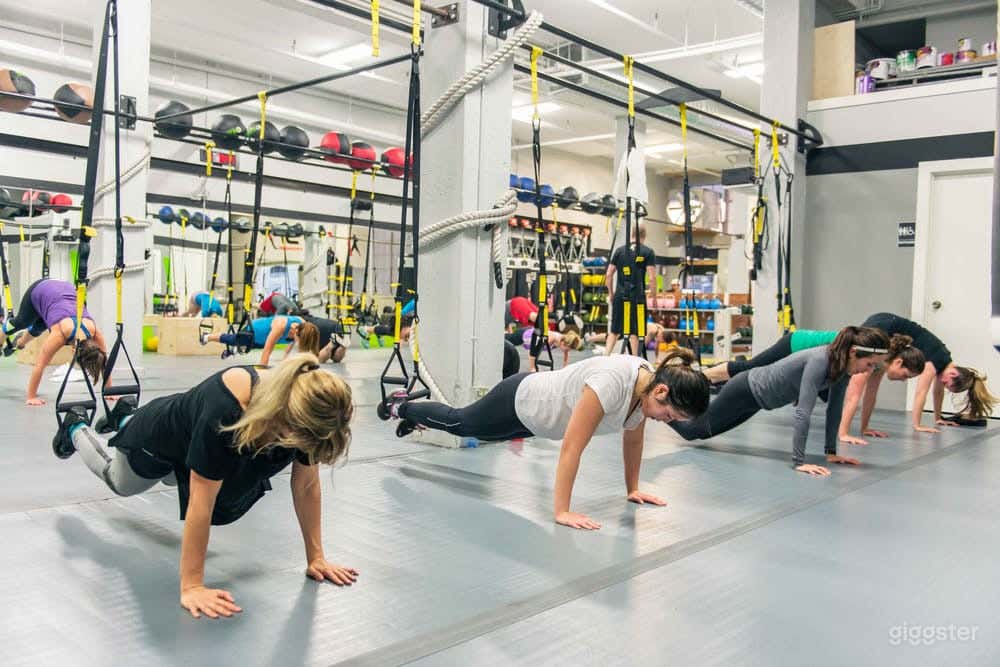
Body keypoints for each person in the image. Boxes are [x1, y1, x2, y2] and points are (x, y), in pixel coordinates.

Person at [50, 354, 357, 619]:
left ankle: (124, 415)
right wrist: (192, 585)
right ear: (286, 416)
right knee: (118, 481)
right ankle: (76, 426)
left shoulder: (306, 406)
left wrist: (316, 557)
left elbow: (306, 485)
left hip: (192, 445)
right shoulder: (227, 407)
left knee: (190, 474)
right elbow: (201, 502)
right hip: (158, 441)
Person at [382, 349, 711, 530]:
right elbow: (572, 446)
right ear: (662, 391)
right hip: (520, 402)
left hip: (536, 424)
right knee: (460, 423)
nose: (665, 421)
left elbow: (633, 441)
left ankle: (410, 415)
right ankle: (401, 407)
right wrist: (562, 511)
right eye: (669, 415)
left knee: (470, 429)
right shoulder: (612, 383)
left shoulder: (647, 392)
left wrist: (633, 489)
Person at [670, 327, 913, 476]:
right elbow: (802, 413)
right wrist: (799, 462)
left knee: (701, 432)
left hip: (757, 401)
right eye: (868, 364)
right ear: (853, 353)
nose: (868, 370)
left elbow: (834, 409)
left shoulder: (842, 369)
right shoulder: (821, 360)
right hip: (746, 389)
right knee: (693, 432)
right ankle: (660, 409)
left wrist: (831, 452)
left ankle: (666, 409)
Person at [839, 312, 998, 443]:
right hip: (885, 325)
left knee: (872, 384)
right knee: (858, 384)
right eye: (947, 384)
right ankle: (843, 431)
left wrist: (938, 418)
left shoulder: (945, 362)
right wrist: (917, 425)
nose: (942, 384)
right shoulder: (935, 360)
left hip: (888, 327)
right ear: (953, 374)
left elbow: (937, 393)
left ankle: (863, 427)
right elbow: (921, 393)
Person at [0, 278, 108, 406]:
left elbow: (105, 362)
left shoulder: (94, 330)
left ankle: (20, 343)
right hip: (40, 290)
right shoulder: (59, 335)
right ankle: (2, 335)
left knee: (38, 328)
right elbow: (39, 365)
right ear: (73, 351)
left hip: (59, 294)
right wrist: (31, 396)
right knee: (22, 322)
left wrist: (109, 391)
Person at [604, 223, 657, 356]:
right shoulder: (648, 252)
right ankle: (634, 360)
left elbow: (609, 274)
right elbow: (652, 278)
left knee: (614, 330)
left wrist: (611, 294)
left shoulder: (620, 250)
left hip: (620, 295)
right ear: (645, 235)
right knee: (635, 331)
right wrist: (654, 298)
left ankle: (605, 356)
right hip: (637, 296)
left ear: (631, 234)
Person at [201, 315, 304, 366]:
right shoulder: (281, 326)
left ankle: (232, 351)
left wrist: (285, 357)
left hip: (261, 341)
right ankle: (207, 337)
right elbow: (267, 351)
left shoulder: (303, 326)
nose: (297, 342)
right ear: (294, 331)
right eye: (297, 339)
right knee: (233, 339)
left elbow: (292, 342)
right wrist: (262, 371)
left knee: (247, 348)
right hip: (254, 330)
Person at [516, 327, 583, 372]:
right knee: (508, 339)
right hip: (524, 335)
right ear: (563, 343)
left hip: (530, 338)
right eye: (568, 349)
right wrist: (532, 368)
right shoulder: (551, 338)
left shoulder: (563, 340)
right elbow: (533, 352)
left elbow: (565, 357)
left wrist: (565, 369)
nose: (567, 351)